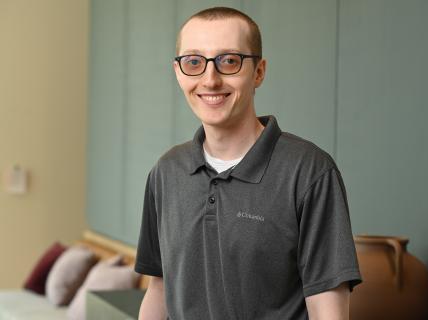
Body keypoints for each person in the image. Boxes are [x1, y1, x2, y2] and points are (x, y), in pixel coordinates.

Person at [135, 6, 361, 320]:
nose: (210, 80)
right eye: (194, 62)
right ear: (178, 71)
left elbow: (328, 310)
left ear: (258, 72)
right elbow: (159, 289)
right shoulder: (166, 172)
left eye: (229, 61)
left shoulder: (310, 171)